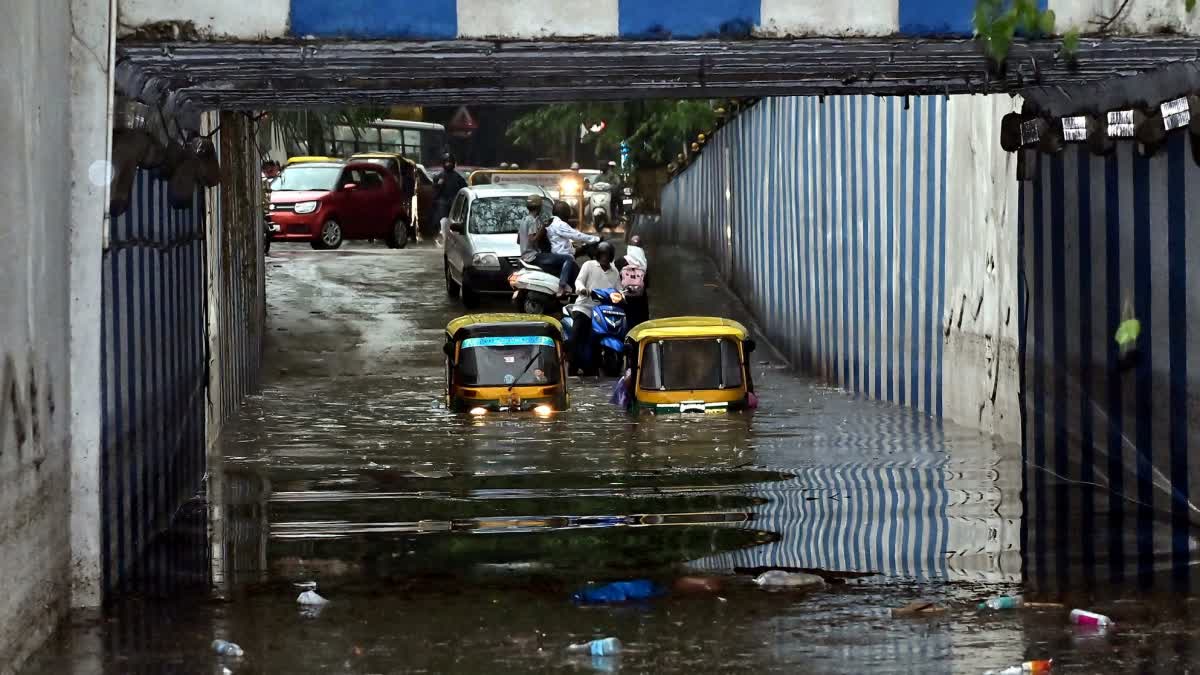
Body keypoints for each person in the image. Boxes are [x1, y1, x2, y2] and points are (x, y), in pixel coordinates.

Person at [569, 241, 621, 371]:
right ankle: (572, 365)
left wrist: (623, 294)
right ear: (597, 255)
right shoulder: (589, 265)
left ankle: (598, 362)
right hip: (584, 307)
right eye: (602, 255)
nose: (604, 258)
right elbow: (579, 280)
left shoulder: (614, 271)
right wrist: (582, 289)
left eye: (607, 255)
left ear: (611, 256)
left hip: (603, 311)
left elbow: (619, 289)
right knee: (576, 336)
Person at [518, 195, 578, 294]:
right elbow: (532, 239)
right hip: (533, 256)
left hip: (525, 255)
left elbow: (519, 240)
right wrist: (543, 228)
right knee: (568, 258)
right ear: (539, 207)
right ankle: (562, 286)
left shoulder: (524, 220)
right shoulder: (532, 220)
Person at [616, 235, 649, 329]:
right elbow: (646, 284)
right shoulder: (644, 263)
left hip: (625, 298)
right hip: (641, 299)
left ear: (629, 247)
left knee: (626, 323)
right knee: (641, 324)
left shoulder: (621, 261)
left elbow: (614, 278)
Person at [433, 153, 467, 226]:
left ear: (453, 163)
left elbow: (464, 188)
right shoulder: (439, 177)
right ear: (443, 163)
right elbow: (435, 191)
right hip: (443, 202)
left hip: (455, 202)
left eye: (450, 162)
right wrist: (438, 185)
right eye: (446, 162)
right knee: (441, 220)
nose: (448, 164)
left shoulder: (458, 177)